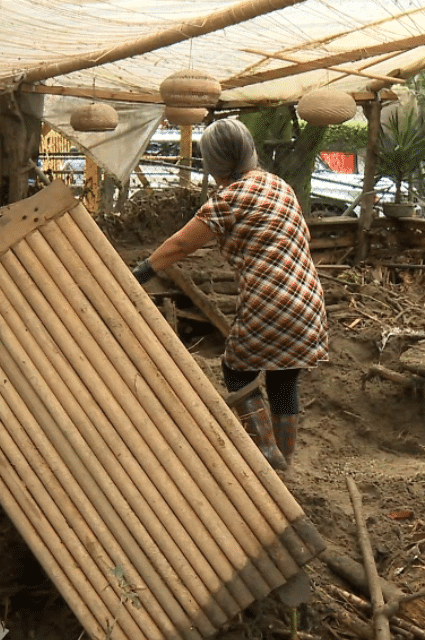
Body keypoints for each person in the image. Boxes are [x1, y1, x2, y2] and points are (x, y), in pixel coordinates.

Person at [131, 118, 328, 470]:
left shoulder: (227, 201)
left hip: (268, 302)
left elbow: (180, 245)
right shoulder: (279, 186)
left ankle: (266, 452)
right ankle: (285, 457)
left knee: (236, 368)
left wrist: (141, 273)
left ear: (212, 162)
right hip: (308, 298)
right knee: (285, 375)